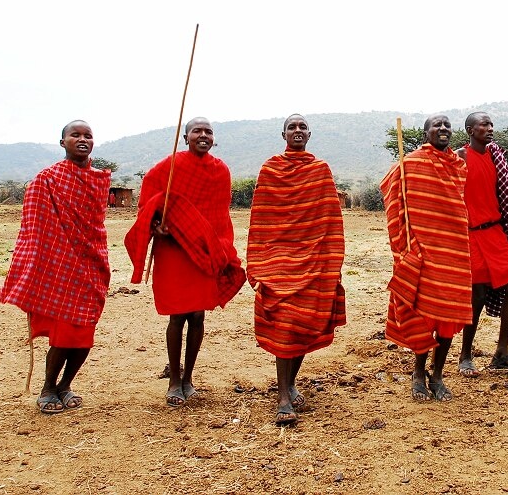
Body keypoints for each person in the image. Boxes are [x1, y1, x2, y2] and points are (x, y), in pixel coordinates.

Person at [125, 117, 245, 407]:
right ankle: (174, 381)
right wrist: (156, 224)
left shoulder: (221, 171)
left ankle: (189, 377)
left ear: (214, 138)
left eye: (208, 132)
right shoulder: (170, 166)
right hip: (175, 249)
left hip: (205, 248)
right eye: (197, 131)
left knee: (198, 315)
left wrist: (220, 245)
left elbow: (219, 213)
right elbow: (149, 197)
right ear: (186, 137)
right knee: (178, 315)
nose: (203, 135)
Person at [0, 120, 112, 414]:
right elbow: (33, 227)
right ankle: (48, 387)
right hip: (61, 266)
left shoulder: (99, 180)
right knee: (63, 335)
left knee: (84, 335)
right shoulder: (46, 179)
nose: (82, 139)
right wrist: (35, 263)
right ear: (63, 143)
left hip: (92, 264)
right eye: (75, 135)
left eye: (88, 135)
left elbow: (95, 225)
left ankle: (66, 385)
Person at [247, 114, 346, 425]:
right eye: (293, 126)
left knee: (305, 323)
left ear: (310, 134)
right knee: (286, 324)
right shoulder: (270, 169)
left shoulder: (320, 170)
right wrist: (261, 262)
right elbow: (262, 218)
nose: (298, 131)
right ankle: (282, 397)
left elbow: (330, 218)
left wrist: (331, 259)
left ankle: (290, 383)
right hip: (278, 260)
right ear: (283, 133)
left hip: (314, 258)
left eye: (303, 127)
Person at [381, 114, 473, 401]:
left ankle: (438, 375)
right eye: (437, 125)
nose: (443, 129)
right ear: (426, 133)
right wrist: (403, 247)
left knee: (449, 315)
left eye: (447, 125)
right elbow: (391, 196)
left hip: (454, 249)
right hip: (422, 250)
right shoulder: (410, 164)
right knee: (424, 315)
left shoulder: (458, 166)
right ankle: (419, 373)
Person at [455, 112, 508, 377]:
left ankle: (501, 351)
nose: (490, 128)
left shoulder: (496, 156)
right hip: (470, 233)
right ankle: (465, 355)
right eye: (484, 124)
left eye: (491, 124)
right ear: (470, 130)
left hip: (495, 232)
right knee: (477, 295)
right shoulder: (460, 157)